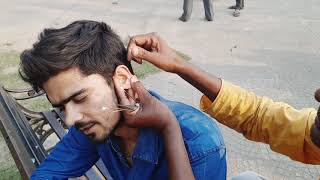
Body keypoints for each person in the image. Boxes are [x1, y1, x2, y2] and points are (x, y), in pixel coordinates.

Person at [19, 20, 227, 179]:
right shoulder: (96, 124)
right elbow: (48, 173)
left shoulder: (198, 143)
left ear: (122, 79)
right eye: (63, 107)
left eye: (80, 97)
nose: (71, 119)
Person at [126, 32, 320, 165]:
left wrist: (169, 126)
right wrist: (179, 65)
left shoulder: (203, 147)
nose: (317, 95)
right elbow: (258, 116)